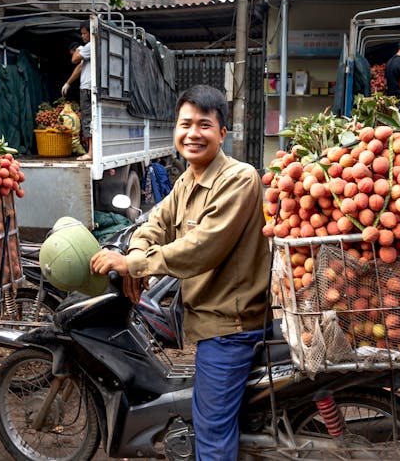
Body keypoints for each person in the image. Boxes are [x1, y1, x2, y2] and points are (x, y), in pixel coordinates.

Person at [89, 85, 270, 460]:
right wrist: (134, 254)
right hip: (207, 318)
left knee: (211, 433)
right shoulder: (188, 178)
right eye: (185, 123)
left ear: (222, 133)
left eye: (204, 124)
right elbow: (156, 223)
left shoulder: (239, 178)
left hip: (230, 325)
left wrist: (133, 264)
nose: (193, 133)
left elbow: (202, 247)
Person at [71, 24, 93, 161]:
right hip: (88, 87)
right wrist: (68, 83)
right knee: (90, 121)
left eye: (85, 33)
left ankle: (91, 153)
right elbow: (79, 67)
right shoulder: (91, 48)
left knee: (88, 121)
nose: (83, 36)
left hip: (88, 88)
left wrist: (79, 50)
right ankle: (92, 151)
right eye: (82, 33)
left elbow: (74, 59)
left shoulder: (90, 46)